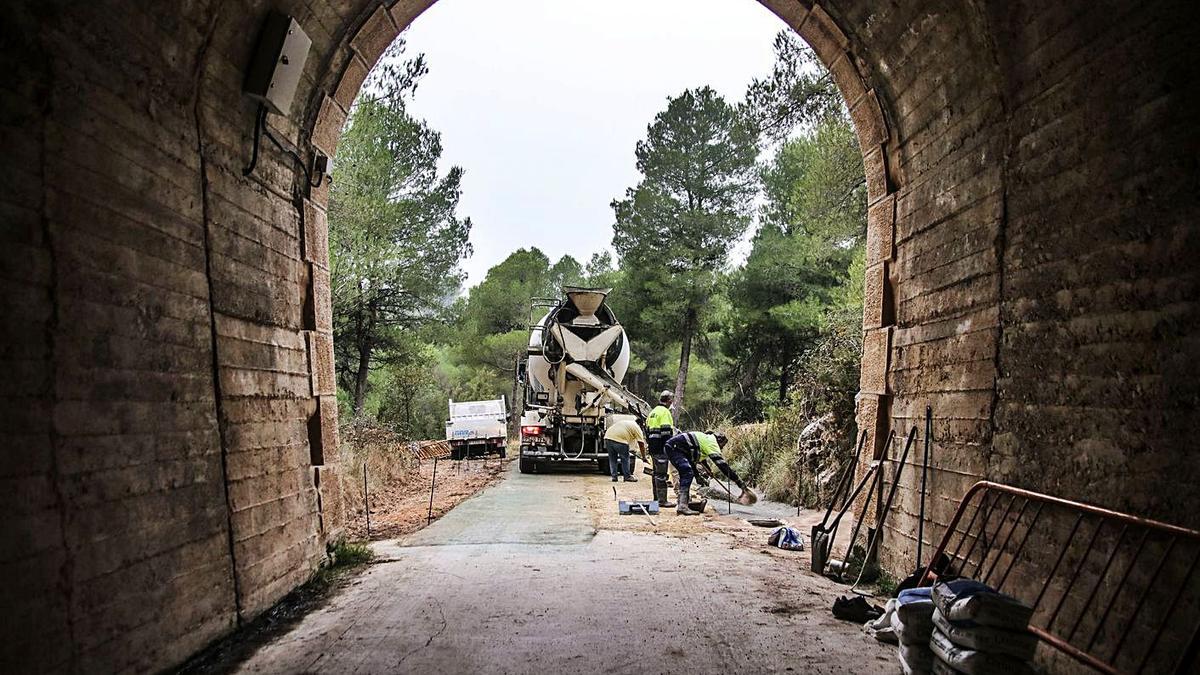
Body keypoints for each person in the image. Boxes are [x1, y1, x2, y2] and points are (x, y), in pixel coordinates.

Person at [663, 430, 756, 515]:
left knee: (687, 472)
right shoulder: (712, 443)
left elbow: (696, 461)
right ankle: (682, 506)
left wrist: (699, 475)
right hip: (675, 448)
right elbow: (723, 466)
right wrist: (740, 484)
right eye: (722, 446)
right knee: (687, 473)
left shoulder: (705, 440)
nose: (721, 448)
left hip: (674, 447)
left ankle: (683, 503)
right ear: (719, 441)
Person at [644, 390, 676, 507]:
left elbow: (647, 430)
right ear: (669, 401)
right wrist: (669, 448)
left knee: (656, 473)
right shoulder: (665, 412)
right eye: (671, 400)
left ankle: (656, 498)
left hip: (653, 447)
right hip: (661, 447)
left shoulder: (653, 412)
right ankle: (662, 501)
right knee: (661, 474)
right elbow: (666, 432)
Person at [603, 417, 645, 482]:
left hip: (608, 437)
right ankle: (627, 476)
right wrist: (644, 457)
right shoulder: (637, 428)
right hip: (620, 440)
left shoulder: (628, 423)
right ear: (640, 425)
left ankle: (614, 477)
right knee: (625, 458)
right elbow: (641, 444)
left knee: (612, 459)